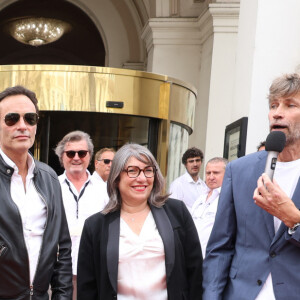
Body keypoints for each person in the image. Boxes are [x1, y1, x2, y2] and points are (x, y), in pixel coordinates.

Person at [203, 73, 300, 300]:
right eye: (273, 105)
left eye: (290, 105)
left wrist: (294, 218)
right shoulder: (239, 171)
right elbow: (220, 248)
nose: (277, 112)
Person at [77, 143, 203, 299]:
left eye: (148, 170)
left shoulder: (176, 212)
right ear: (116, 177)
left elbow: (195, 270)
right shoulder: (95, 226)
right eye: (133, 171)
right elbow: (87, 288)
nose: (142, 178)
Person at [0, 85, 72, 299]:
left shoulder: (49, 177)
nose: (22, 126)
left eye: (30, 119)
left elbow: (63, 247)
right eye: (12, 119)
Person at [55, 130, 107, 300]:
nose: (76, 157)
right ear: (62, 157)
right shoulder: (51, 187)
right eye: (70, 153)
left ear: (89, 156)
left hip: (94, 268)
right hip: (58, 271)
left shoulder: (105, 191)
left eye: (82, 153)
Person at [191, 157, 227, 257]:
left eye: (215, 173)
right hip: (193, 259)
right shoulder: (200, 199)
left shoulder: (229, 199)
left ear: (227, 174)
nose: (211, 177)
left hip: (213, 260)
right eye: (208, 173)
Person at [169, 147, 208, 211]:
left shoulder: (204, 185)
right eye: (191, 161)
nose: (195, 164)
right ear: (185, 164)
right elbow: (173, 209)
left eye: (197, 160)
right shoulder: (178, 184)